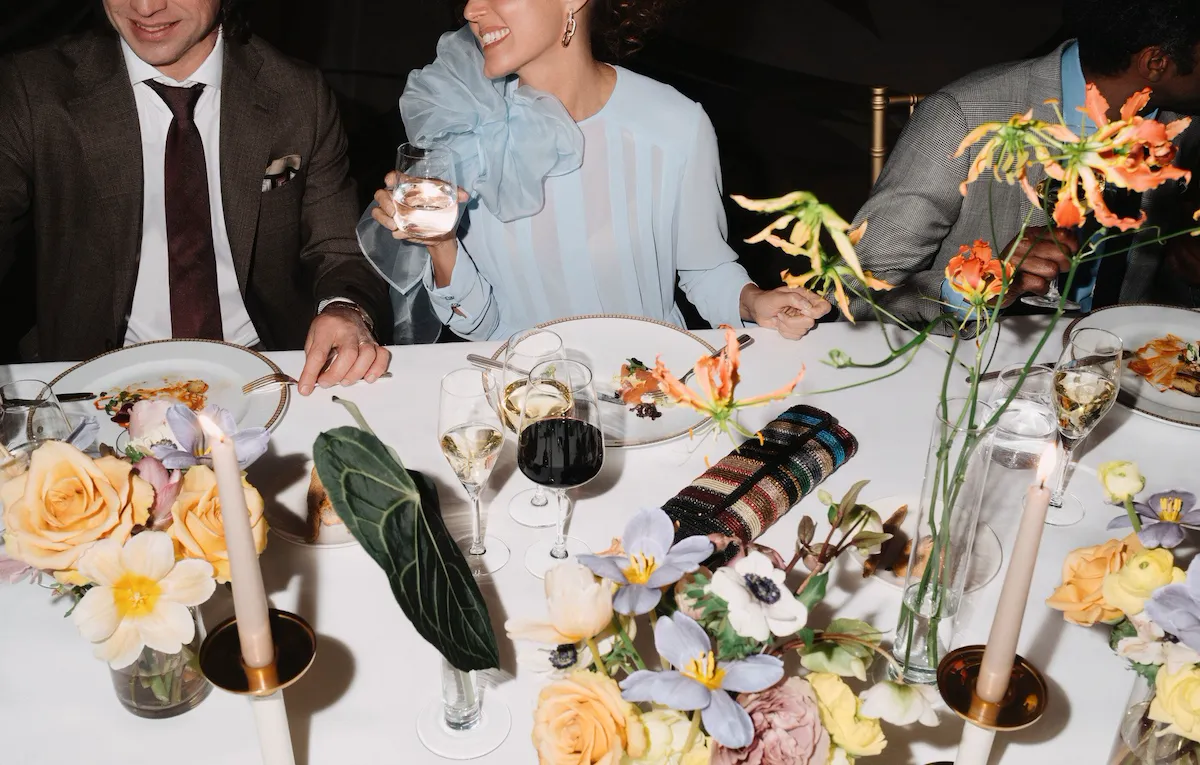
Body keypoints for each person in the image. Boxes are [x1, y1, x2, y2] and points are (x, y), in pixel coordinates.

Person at [366, 0, 831, 342]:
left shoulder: (674, 123)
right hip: (523, 404)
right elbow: (481, 325)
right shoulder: (465, 132)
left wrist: (754, 302)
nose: (471, 9)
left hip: (651, 395)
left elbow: (705, 268)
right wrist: (441, 245)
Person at [0, 0, 391, 395]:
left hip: (266, 369)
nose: (146, 7)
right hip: (89, 375)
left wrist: (346, 310)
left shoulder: (299, 95)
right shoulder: (32, 88)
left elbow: (338, 248)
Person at [849, 0, 1200, 326]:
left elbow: (1152, 268)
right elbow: (857, 289)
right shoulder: (963, 116)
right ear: (1156, 63)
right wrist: (978, 285)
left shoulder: (1184, 125)